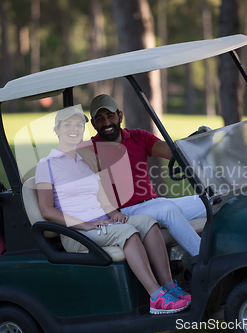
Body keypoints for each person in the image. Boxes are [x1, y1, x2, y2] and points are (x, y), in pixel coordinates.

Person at [35, 105, 191, 315]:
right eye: (67, 125)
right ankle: (156, 297)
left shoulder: (85, 161)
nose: (74, 128)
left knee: (147, 222)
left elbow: (101, 197)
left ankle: (169, 286)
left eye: (79, 125)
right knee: (128, 233)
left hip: (102, 225)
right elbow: (46, 210)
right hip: (76, 233)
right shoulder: (46, 164)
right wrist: (86, 224)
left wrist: (113, 214)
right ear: (57, 130)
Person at [78, 94, 206, 257]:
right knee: (168, 210)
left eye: (110, 116)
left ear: (120, 116)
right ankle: (205, 258)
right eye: (100, 118)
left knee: (210, 200)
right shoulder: (88, 150)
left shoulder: (138, 136)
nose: (107, 123)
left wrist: (197, 142)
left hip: (154, 203)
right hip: (127, 211)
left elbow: (172, 153)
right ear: (94, 123)